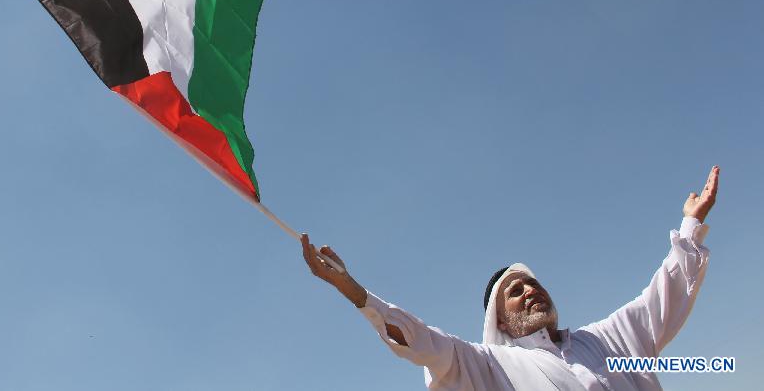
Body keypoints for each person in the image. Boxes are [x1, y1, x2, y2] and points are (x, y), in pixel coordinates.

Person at [301, 166, 719, 390]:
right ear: (499, 321)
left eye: (532, 283)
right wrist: (353, 291)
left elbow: (666, 293)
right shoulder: (489, 368)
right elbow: (418, 340)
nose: (530, 291)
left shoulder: (608, 340)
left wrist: (689, 225)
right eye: (514, 292)